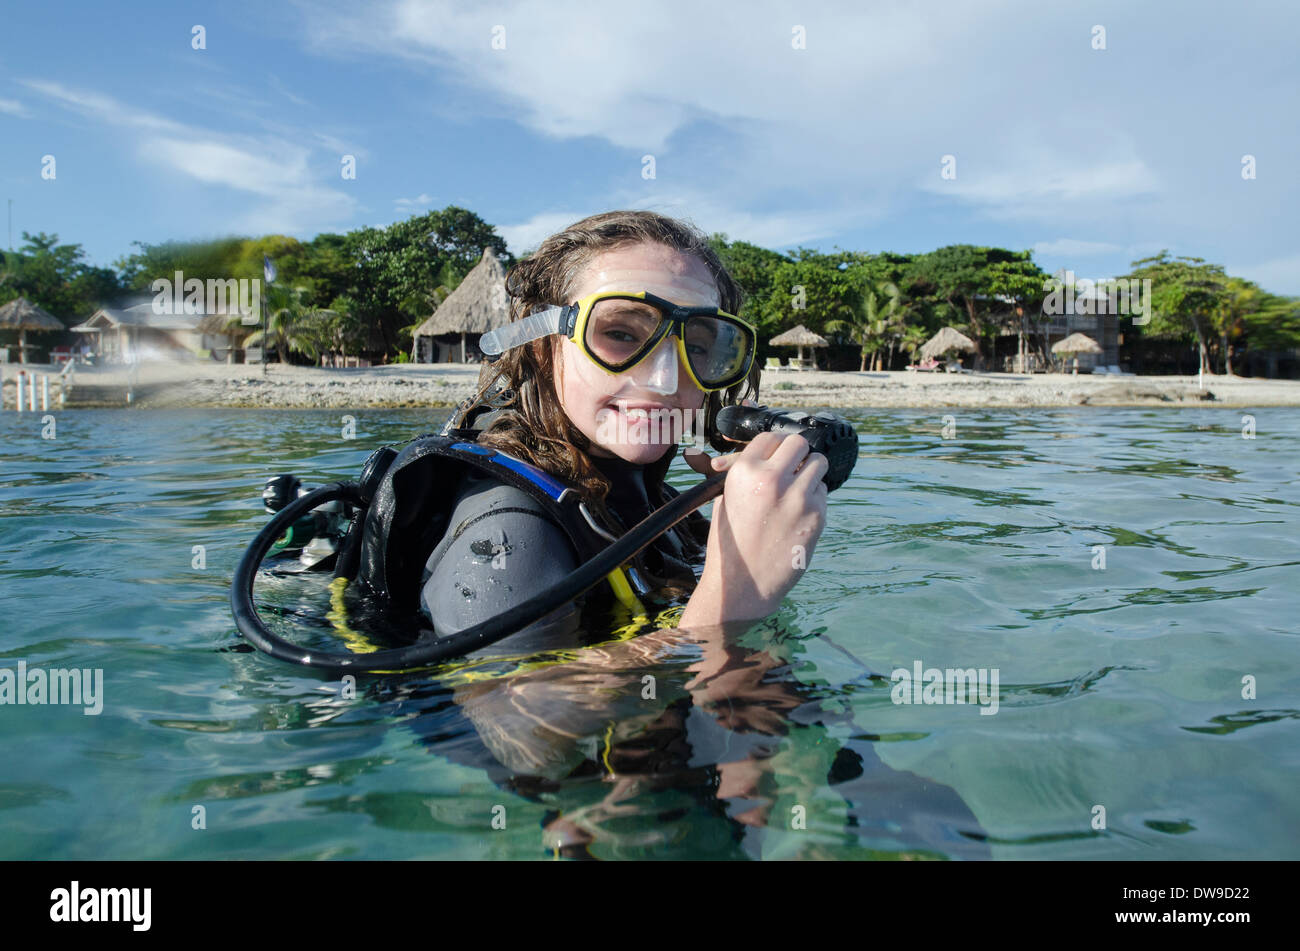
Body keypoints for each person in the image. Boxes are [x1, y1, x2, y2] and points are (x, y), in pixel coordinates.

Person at [419, 210, 828, 650]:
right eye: (620, 333)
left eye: (699, 346)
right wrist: (741, 585)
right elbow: (520, 715)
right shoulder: (509, 532)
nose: (666, 381)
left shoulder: (657, 503)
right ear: (542, 349)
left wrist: (739, 521)